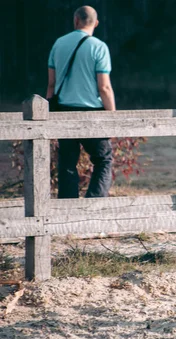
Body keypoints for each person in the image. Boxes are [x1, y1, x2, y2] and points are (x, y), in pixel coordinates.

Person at [46, 5, 116, 198]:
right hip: (92, 112)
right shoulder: (99, 47)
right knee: (103, 159)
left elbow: (51, 85)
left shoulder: (58, 44)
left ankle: (68, 207)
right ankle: (93, 204)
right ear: (96, 23)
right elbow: (104, 87)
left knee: (67, 162)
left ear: (75, 20)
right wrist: (113, 117)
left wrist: (48, 113)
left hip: (64, 111)